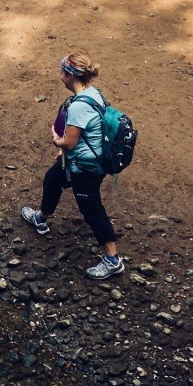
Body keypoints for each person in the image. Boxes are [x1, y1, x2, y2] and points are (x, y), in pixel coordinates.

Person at [21, 54, 124, 279]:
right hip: (79, 159)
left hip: (86, 167)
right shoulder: (92, 92)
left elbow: (69, 141)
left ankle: (112, 260)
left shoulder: (78, 107)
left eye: (62, 73)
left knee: (92, 209)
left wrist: (56, 140)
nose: (60, 78)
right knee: (52, 179)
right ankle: (41, 218)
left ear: (69, 75)